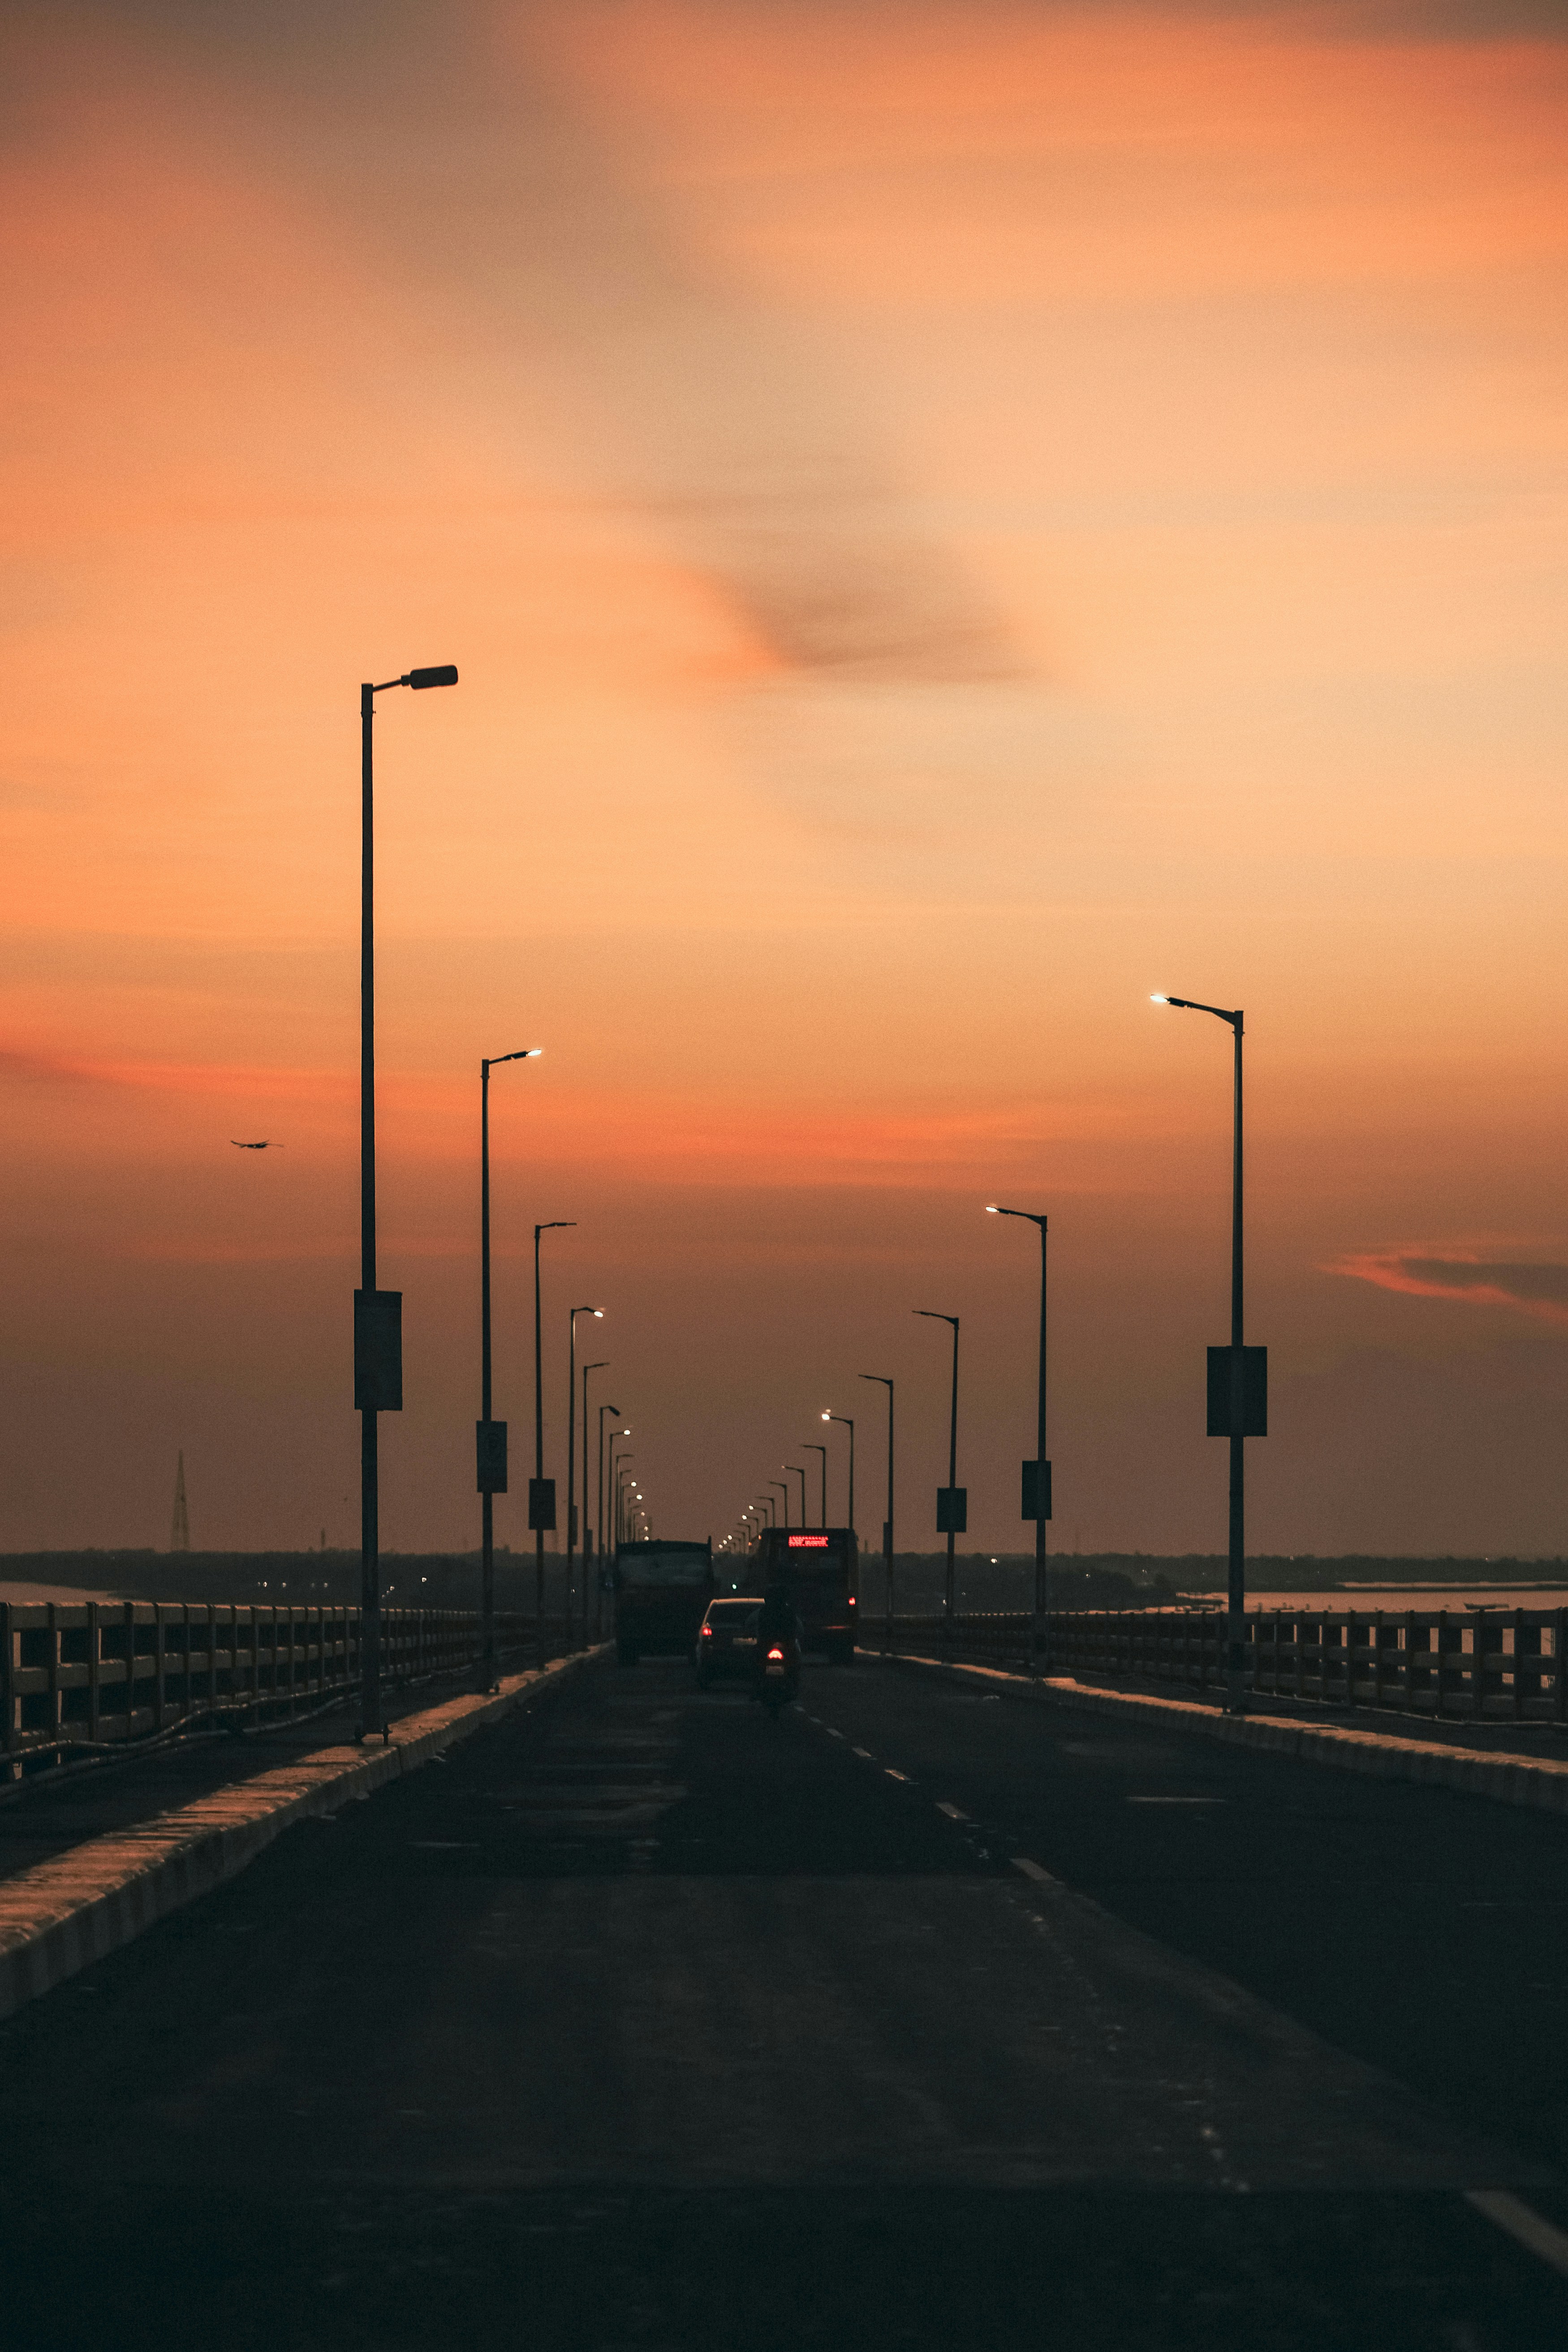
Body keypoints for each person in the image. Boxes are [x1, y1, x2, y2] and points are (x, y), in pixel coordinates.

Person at [754, 1578, 802, 1699]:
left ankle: (755, 1687)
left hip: (774, 1645)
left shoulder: (764, 1611)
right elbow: (798, 1627)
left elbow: (754, 1625)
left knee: (753, 1659)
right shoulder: (788, 1611)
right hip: (781, 1645)